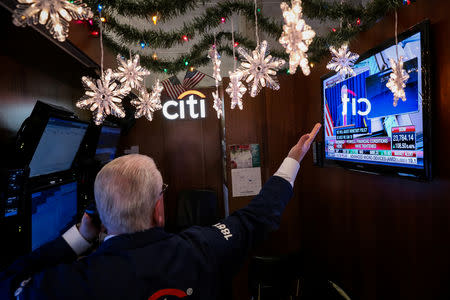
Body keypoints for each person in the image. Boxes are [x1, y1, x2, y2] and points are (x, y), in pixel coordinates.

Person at [0, 123, 321, 300]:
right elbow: (259, 216)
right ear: (159, 209)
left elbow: (10, 280)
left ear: (98, 217)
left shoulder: (67, 285)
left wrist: (79, 239)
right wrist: (293, 158)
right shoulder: (202, 250)